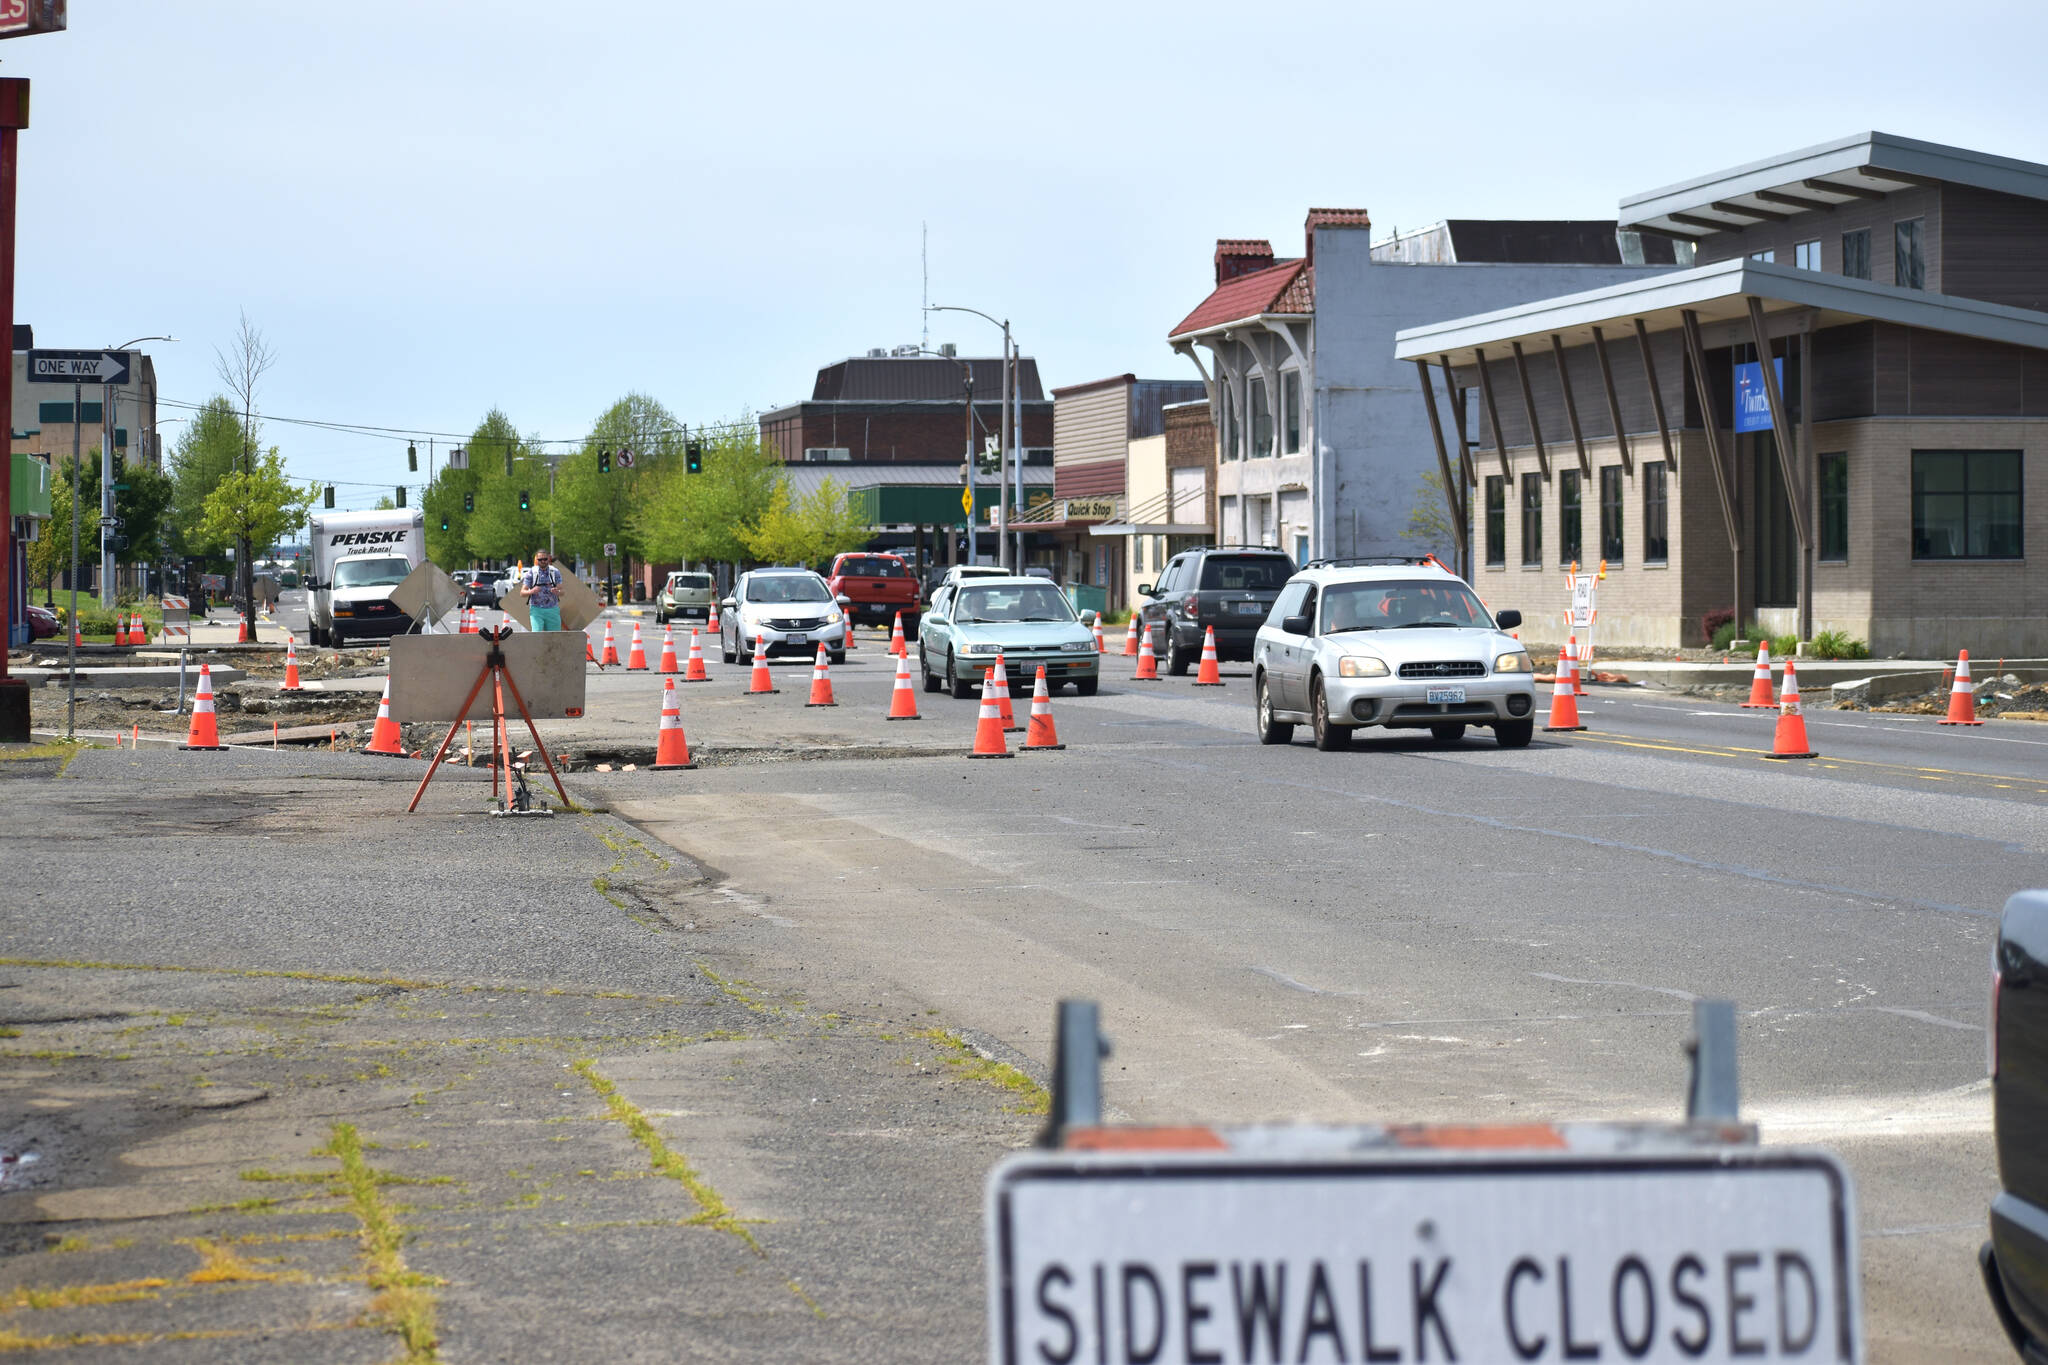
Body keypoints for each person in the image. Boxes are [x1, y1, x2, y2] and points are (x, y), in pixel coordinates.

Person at [517, 551, 563, 631]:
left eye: (545, 559)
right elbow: (522, 593)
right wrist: (531, 591)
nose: (543, 561)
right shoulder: (531, 572)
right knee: (537, 635)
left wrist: (557, 592)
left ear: (548, 559)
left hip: (553, 609)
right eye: (540, 559)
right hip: (536, 610)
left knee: (555, 638)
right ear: (537, 560)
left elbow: (562, 591)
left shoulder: (555, 572)